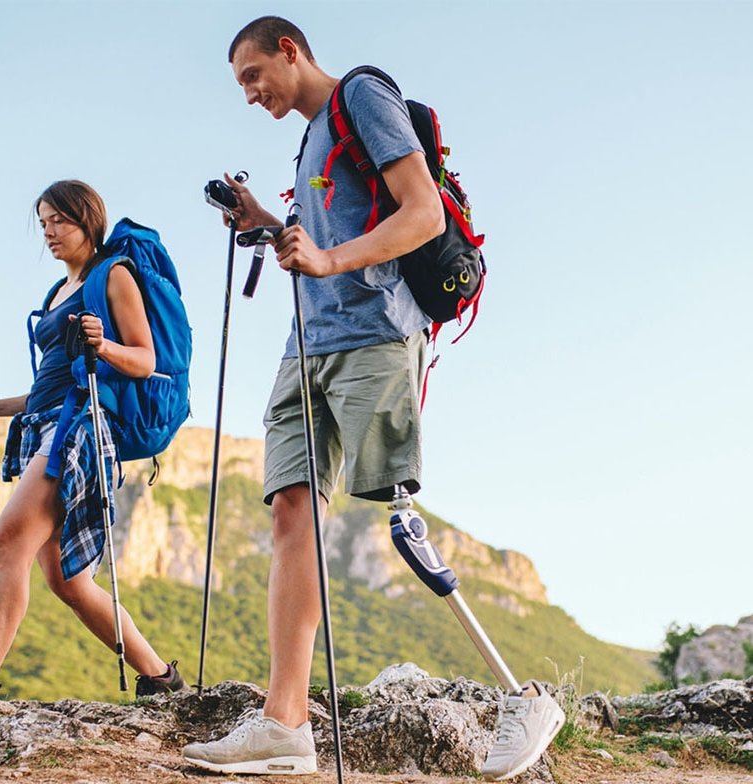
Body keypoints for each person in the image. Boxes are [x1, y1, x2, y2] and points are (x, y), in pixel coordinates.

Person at [182, 17, 564, 780]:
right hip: (306, 344)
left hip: (374, 334)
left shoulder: (362, 95)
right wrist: (266, 223)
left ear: (289, 50)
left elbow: (419, 212)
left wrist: (324, 257)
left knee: (394, 511)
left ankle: (525, 699)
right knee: (291, 507)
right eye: (240, 86)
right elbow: (327, 231)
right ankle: (283, 726)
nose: (250, 94)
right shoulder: (312, 137)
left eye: (253, 75)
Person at [0, 180, 184, 701]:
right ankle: (162, 680)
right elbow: (47, 387)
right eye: (43, 223)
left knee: (10, 536)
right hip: (47, 422)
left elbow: (145, 360)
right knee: (68, 581)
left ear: (88, 219)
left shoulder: (112, 275)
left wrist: (105, 346)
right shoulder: (56, 292)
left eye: (60, 221)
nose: (50, 232)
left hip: (80, 429)